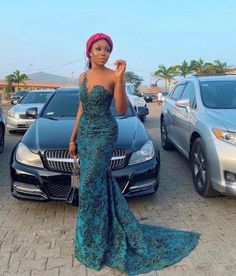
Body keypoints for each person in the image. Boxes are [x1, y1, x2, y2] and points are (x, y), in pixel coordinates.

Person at [69, 33, 200, 275]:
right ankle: (95, 235)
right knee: (95, 186)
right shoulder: (83, 77)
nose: (103, 53)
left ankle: (94, 242)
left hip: (104, 133)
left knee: (88, 185)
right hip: (86, 134)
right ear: (89, 52)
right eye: (98, 48)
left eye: (107, 49)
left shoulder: (111, 76)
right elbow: (80, 108)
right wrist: (73, 138)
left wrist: (119, 80)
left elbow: (120, 109)